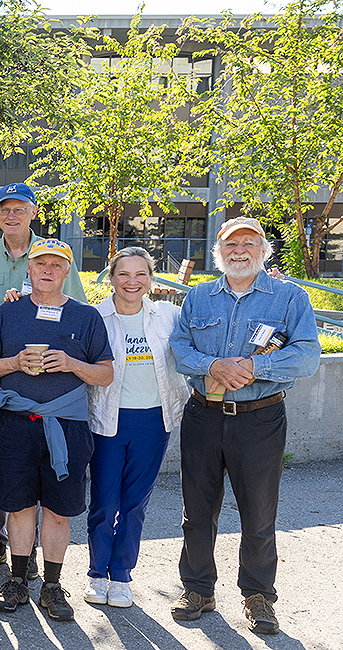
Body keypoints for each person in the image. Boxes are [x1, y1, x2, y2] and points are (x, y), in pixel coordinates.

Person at [168, 217, 320, 635]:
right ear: (219, 252)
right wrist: (212, 364)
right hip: (203, 415)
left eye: (248, 243)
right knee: (196, 512)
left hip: (260, 420)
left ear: (262, 249)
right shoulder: (198, 298)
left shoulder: (289, 298)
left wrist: (255, 366)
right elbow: (180, 349)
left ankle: (258, 596)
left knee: (258, 513)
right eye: (231, 244)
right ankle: (198, 589)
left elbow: (307, 355)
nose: (239, 251)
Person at [0, 238, 112, 623]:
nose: (47, 270)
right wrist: (15, 362)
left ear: (68, 271)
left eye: (56, 264)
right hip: (14, 425)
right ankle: (17, 579)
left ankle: (52, 585)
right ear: (28, 270)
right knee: (17, 506)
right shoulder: (9, 312)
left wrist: (70, 363)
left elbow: (105, 373)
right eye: (40, 264)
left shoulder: (86, 317)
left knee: (58, 510)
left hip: (65, 427)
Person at [0, 182, 86, 575]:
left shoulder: (54, 257)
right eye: (4, 209)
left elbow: (77, 309)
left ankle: (29, 549)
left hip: (46, 377)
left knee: (40, 456)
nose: (11, 215)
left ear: (33, 212)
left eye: (19, 209)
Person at [82, 247, 188, 609]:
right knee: (104, 500)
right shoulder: (95, 317)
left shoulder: (169, 316)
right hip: (108, 419)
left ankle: (122, 575)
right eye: (123, 274)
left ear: (151, 278)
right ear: (110, 278)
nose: (132, 281)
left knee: (134, 504)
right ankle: (97, 573)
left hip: (153, 422)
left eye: (140, 274)